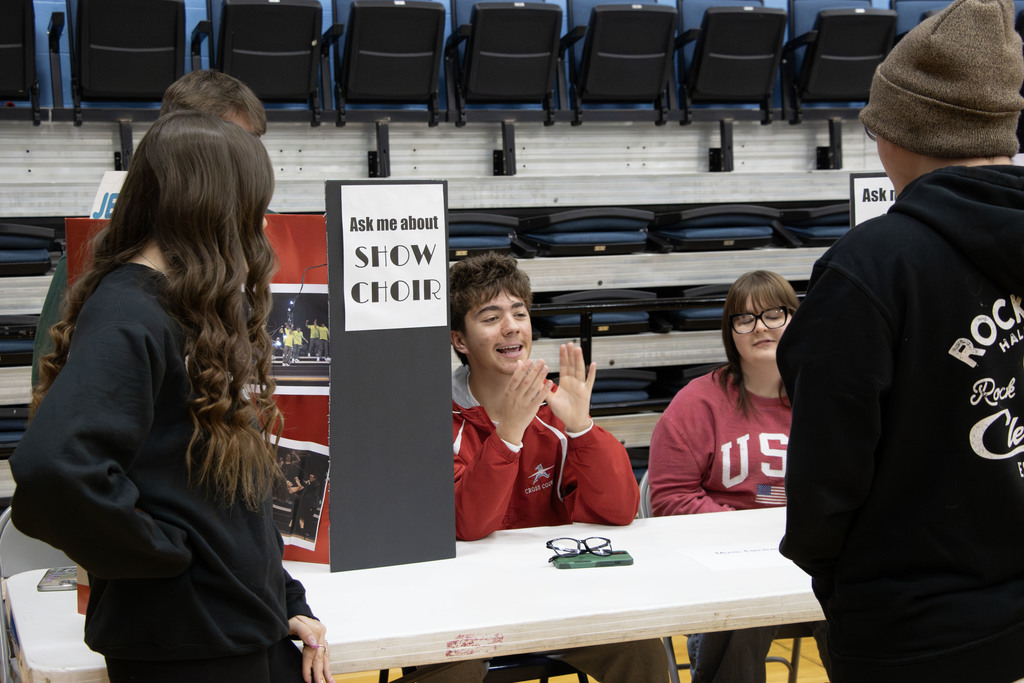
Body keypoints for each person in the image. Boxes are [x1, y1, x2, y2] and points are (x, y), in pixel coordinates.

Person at [9, 111, 334, 683]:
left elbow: (211, 494)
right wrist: (164, 553)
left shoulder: (177, 307)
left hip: (236, 628)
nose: (261, 223)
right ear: (210, 205)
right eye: (251, 205)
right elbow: (51, 471)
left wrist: (281, 596)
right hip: (186, 645)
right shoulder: (127, 313)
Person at [776, 0, 1024, 680]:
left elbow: (826, 475)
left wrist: (840, 579)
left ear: (900, 131)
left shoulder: (870, 268)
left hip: (912, 632)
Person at [411, 251, 669, 682]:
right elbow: (470, 524)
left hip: (551, 592)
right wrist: (508, 435)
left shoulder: (554, 406)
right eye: (491, 317)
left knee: (641, 651)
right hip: (459, 603)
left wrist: (582, 427)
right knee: (451, 676)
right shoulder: (431, 416)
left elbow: (619, 510)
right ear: (460, 340)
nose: (511, 326)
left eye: (519, 313)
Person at [30, 70, 267, 387]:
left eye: (251, 146)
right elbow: (50, 376)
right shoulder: (109, 264)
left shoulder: (262, 236)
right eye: (228, 149)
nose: (245, 165)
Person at [647, 271, 827, 683]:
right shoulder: (697, 403)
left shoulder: (825, 396)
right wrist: (751, 533)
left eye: (774, 314)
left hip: (809, 557)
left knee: (861, 600)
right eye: (745, 319)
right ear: (731, 333)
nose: (760, 327)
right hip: (725, 564)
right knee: (746, 608)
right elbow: (670, 498)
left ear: (796, 319)